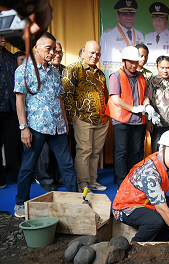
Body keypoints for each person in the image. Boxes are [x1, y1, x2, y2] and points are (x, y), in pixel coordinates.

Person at [13, 32, 78, 217]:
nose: (52, 53)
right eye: (48, 49)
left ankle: (75, 201)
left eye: (54, 49)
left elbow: (59, 98)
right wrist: (23, 127)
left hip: (57, 126)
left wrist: (65, 121)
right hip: (36, 127)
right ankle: (20, 203)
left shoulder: (54, 71)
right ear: (36, 48)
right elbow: (20, 100)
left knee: (67, 165)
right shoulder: (24, 70)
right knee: (28, 165)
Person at [112, 130, 169, 242]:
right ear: (161, 150)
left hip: (147, 202)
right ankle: (136, 246)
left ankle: (162, 242)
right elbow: (162, 210)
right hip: (127, 207)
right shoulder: (150, 172)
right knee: (156, 220)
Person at [106, 46, 160, 186]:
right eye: (131, 62)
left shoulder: (141, 76)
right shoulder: (115, 76)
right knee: (121, 151)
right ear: (124, 61)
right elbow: (115, 99)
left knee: (137, 151)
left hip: (138, 121)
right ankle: (122, 181)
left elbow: (146, 96)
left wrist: (147, 106)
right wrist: (134, 108)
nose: (134, 65)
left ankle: (134, 179)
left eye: (136, 62)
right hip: (121, 120)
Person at [62, 40, 109, 193]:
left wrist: (106, 116)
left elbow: (105, 95)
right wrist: (73, 115)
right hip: (82, 118)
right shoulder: (73, 69)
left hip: (101, 119)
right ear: (83, 52)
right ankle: (83, 184)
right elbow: (66, 94)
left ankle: (93, 181)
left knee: (95, 152)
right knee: (84, 151)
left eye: (98, 54)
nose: (95, 56)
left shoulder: (100, 73)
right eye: (91, 52)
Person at [35, 40, 67, 191]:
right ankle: (46, 181)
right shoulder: (34, 70)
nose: (56, 54)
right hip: (41, 120)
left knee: (61, 155)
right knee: (44, 154)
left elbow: (61, 97)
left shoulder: (62, 70)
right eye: (54, 50)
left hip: (59, 119)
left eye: (59, 51)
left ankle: (59, 178)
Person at [0, 35, 22, 189]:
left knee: (12, 144)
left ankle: (16, 176)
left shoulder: (10, 57)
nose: (4, 38)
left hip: (12, 108)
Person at [100, 0, 144, 74]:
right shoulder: (107, 35)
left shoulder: (139, 35)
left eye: (132, 14)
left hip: (136, 75)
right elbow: (103, 62)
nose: (129, 17)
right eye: (125, 14)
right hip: (118, 76)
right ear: (118, 16)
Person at [145, 2, 169, 69]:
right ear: (152, 20)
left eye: (161, 18)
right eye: (155, 18)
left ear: (167, 21)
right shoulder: (147, 37)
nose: (158, 21)